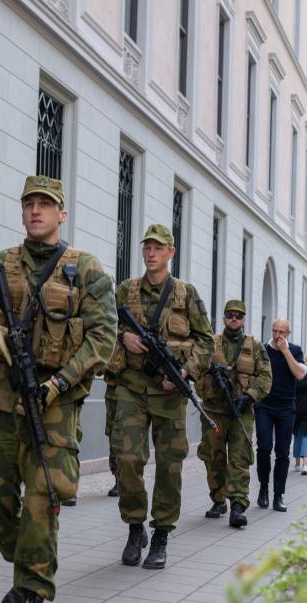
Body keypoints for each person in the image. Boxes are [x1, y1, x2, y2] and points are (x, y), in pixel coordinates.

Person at [0, 175, 116, 603]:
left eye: (46, 205)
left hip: (56, 408)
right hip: (3, 403)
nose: (37, 211)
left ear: (61, 214)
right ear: (23, 212)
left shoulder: (86, 270)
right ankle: (25, 574)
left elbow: (102, 339)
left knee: (43, 502)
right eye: (30, 204)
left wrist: (59, 383)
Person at [108, 224, 214, 568]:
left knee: (169, 467)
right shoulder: (126, 291)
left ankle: (162, 534)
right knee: (126, 458)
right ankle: (135, 526)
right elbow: (103, 326)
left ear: (171, 253)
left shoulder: (187, 294)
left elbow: (206, 341)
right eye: (147, 247)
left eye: (158, 248)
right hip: (131, 386)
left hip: (170, 393)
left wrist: (184, 373)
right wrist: (124, 336)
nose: (151, 253)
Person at [195, 300, 271, 528]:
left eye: (238, 315)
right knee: (213, 458)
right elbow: (196, 370)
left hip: (242, 413)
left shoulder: (255, 346)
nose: (234, 319)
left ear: (244, 318)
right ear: (224, 316)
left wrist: (249, 396)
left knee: (239, 459)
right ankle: (218, 500)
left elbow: (265, 376)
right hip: (214, 411)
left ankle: (238, 505)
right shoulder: (211, 343)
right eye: (230, 314)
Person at [253, 320, 307, 512]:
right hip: (264, 406)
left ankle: (278, 495)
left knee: (283, 452)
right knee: (264, 447)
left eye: (281, 332)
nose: (278, 335)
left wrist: (286, 352)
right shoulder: (262, 349)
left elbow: (300, 374)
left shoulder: (295, 350)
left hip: (286, 407)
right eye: (275, 331)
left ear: (288, 333)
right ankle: (263, 488)